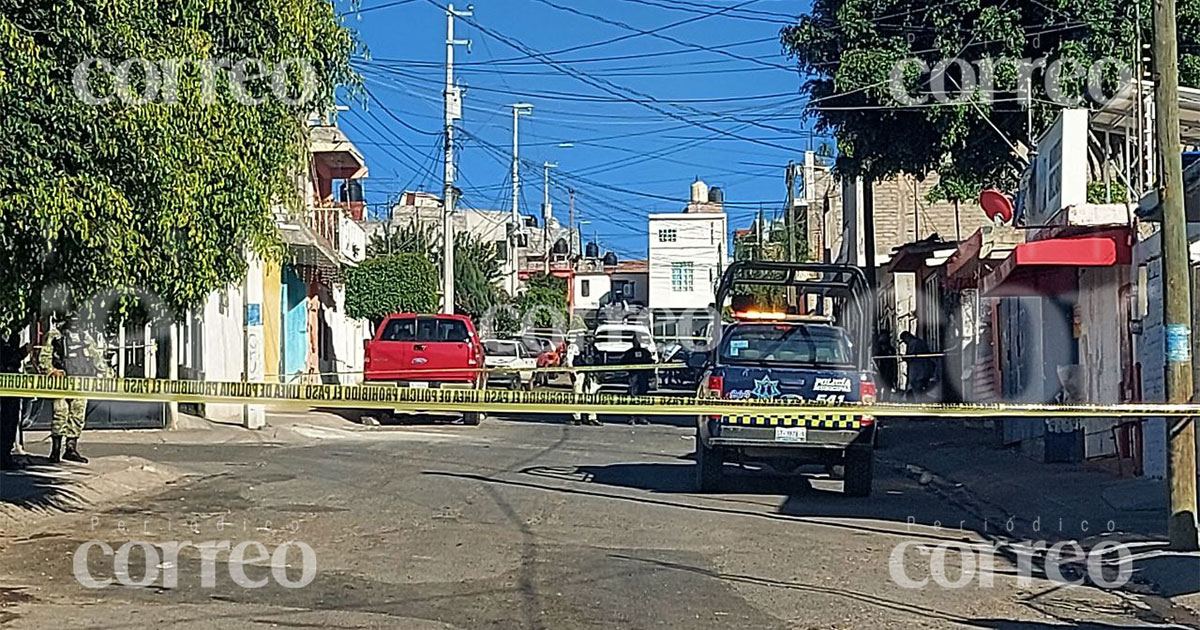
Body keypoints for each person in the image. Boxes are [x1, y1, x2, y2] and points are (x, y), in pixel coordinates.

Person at [38, 315, 110, 464]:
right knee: (60, 415)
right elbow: (44, 357)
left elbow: (96, 357)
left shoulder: (84, 336)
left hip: (81, 382)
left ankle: (71, 449)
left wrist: (107, 374)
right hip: (61, 382)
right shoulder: (55, 335)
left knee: (77, 415)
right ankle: (55, 451)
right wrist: (51, 371)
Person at [567, 336, 601, 426]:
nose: (590, 340)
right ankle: (577, 417)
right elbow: (569, 360)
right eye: (588, 338)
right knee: (577, 395)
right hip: (579, 373)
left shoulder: (593, 348)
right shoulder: (574, 347)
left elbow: (597, 360)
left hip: (590, 374)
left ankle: (591, 417)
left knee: (591, 396)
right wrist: (572, 373)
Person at [620, 335, 654, 425]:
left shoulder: (646, 352)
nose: (636, 343)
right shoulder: (629, 353)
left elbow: (651, 364)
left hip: (643, 377)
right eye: (634, 341)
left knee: (643, 397)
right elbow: (623, 363)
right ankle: (632, 417)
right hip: (633, 377)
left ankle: (642, 417)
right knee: (632, 397)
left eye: (638, 341)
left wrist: (651, 376)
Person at [900, 330, 936, 401]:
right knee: (922, 391)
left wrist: (904, 357)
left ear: (907, 336)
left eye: (904, 340)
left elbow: (910, 357)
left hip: (916, 373)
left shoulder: (913, 344)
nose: (905, 343)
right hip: (925, 372)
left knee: (917, 393)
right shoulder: (921, 342)